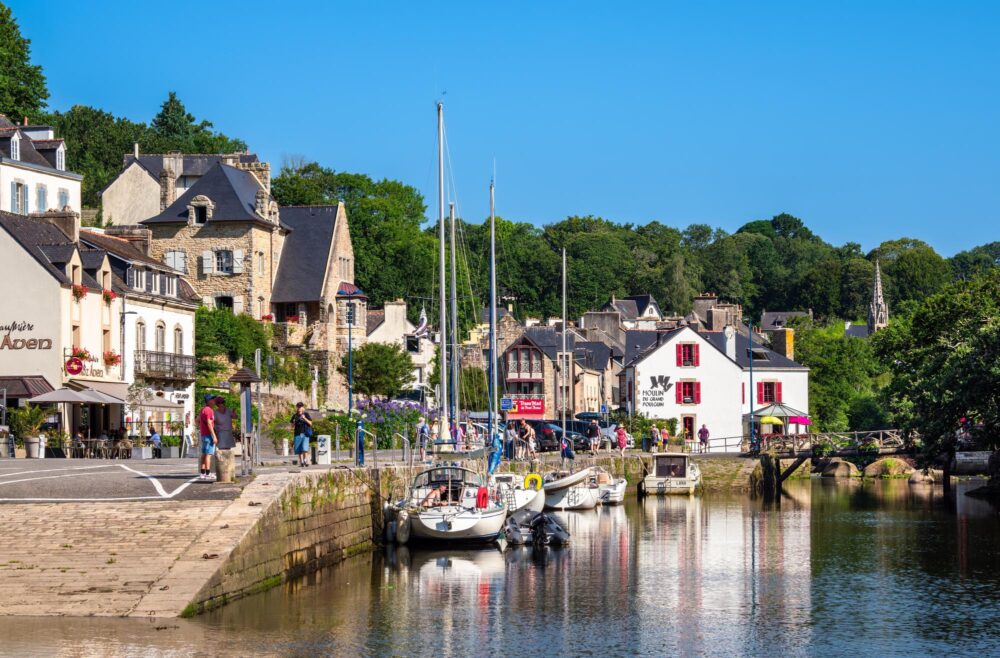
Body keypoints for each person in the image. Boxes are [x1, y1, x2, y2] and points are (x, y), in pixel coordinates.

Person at [198, 394, 218, 480]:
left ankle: (202, 473)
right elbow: (209, 423)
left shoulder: (203, 409)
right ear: (209, 401)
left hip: (204, 434)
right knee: (208, 454)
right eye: (212, 399)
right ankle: (208, 473)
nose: (214, 400)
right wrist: (214, 436)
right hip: (208, 434)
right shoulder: (209, 410)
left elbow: (197, 420)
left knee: (204, 453)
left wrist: (202, 428)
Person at [291, 402, 313, 468]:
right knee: (299, 449)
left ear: (303, 407)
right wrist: (293, 423)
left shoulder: (306, 414)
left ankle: (305, 461)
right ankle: (301, 462)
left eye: (300, 407)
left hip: (305, 434)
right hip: (297, 434)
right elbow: (292, 426)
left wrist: (304, 418)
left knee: (305, 448)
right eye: (298, 407)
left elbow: (310, 423)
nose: (299, 408)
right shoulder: (295, 416)